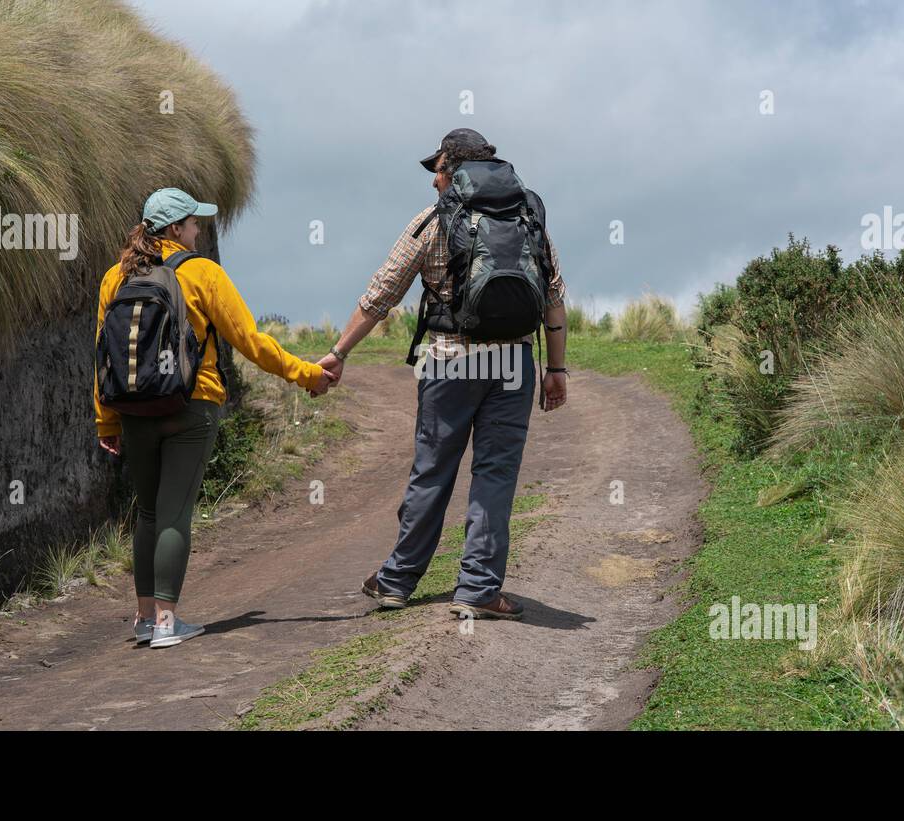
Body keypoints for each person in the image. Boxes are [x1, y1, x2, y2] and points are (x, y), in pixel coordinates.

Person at [318, 129, 569, 620]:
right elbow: (554, 297)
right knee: (494, 477)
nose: (433, 180)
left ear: (450, 169)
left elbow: (381, 293)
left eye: (436, 169)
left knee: (432, 471)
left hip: (450, 361)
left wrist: (339, 351)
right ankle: (477, 589)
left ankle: (396, 581)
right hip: (514, 366)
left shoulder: (434, 221)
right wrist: (556, 369)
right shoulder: (528, 217)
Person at [94, 187, 336, 648]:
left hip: (133, 410)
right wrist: (306, 374)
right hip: (192, 405)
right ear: (174, 229)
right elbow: (250, 341)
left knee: (147, 513)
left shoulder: (114, 278)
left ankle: (145, 619)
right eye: (192, 222)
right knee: (174, 514)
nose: (199, 229)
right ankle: (168, 622)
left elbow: (101, 356)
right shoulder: (203, 273)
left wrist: (106, 422)